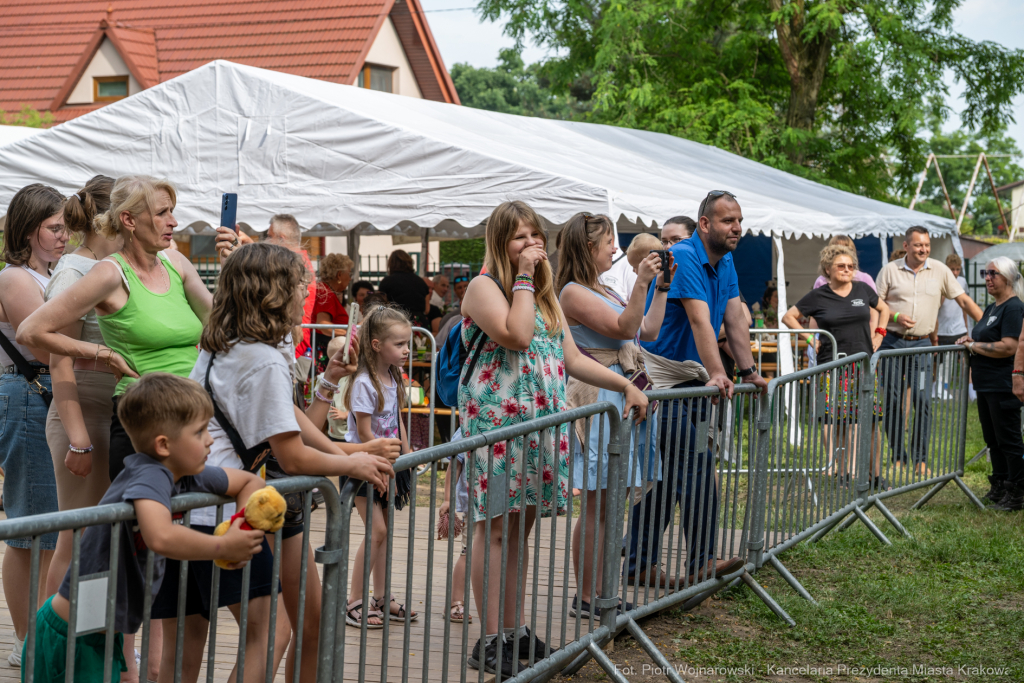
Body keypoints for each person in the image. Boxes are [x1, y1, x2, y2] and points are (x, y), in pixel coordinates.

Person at [188, 242, 398, 681]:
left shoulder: (226, 344)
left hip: (216, 498)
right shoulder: (262, 359)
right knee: (268, 635)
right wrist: (353, 465)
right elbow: (292, 454)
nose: (306, 293)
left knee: (286, 624)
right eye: (300, 284)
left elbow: (291, 419)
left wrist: (353, 450)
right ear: (274, 293)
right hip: (232, 507)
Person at [459, 200, 647, 678]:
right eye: (520, 238)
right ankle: (491, 637)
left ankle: (514, 627)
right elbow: (518, 337)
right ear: (501, 243)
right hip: (499, 429)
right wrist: (524, 275)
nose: (531, 246)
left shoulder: (545, 296)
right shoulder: (485, 287)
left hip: (540, 425)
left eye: (535, 236)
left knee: (521, 528)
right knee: (495, 528)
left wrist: (624, 384)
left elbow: (572, 359)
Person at [25, 373, 267, 683]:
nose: (211, 440)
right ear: (164, 444)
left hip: (97, 631)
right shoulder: (149, 474)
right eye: (200, 431)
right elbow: (160, 535)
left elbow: (251, 481)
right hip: (71, 636)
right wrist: (224, 547)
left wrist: (241, 527)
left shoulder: (187, 473)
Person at [18, 176, 213, 484]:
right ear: (128, 219)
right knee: (141, 530)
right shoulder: (109, 273)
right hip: (146, 420)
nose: (173, 222)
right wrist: (104, 353)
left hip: (195, 416)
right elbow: (31, 331)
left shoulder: (176, 261)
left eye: (171, 211)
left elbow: (222, 325)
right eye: (162, 212)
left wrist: (233, 267)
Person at [628, 190, 765, 590]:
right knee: (698, 464)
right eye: (727, 221)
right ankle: (703, 560)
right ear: (705, 224)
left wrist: (750, 370)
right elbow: (701, 321)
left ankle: (637, 562)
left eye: (739, 219)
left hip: (692, 383)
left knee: (666, 478)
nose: (737, 227)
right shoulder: (686, 255)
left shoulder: (728, 261)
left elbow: (735, 317)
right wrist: (720, 373)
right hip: (663, 381)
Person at [556, 212, 670, 618]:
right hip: (602, 396)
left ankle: (603, 591)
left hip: (626, 395)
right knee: (597, 503)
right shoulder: (570, 292)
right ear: (589, 247)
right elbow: (624, 328)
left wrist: (659, 288)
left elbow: (646, 330)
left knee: (613, 502)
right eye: (609, 243)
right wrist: (640, 278)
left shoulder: (603, 287)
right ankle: (586, 597)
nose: (615, 250)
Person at [41, 176, 122, 597]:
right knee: (76, 538)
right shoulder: (75, 270)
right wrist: (78, 439)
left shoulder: (110, 267)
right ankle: (51, 647)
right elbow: (59, 360)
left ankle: (88, 642)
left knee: (97, 539)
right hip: (84, 413)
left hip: (109, 413)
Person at [0, 183, 67, 668]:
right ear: (28, 231)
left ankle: (35, 642)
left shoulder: (49, 274)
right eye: (55, 227)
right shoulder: (16, 279)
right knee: (30, 530)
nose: (65, 236)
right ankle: (29, 644)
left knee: (42, 526)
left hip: (44, 395)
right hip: (30, 394)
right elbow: (44, 349)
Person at [874, 226, 982, 475]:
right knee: (892, 401)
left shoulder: (940, 270)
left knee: (922, 400)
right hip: (892, 343)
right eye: (918, 245)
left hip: (922, 345)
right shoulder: (890, 270)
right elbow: (875, 306)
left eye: (926, 245)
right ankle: (898, 456)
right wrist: (896, 316)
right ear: (906, 245)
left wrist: (986, 324)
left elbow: (963, 300)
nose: (923, 249)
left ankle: (920, 459)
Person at [781, 245, 889, 484]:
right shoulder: (818, 295)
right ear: (828, 269)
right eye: (841, 266)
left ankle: (875, 474)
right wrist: (810, 338)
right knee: (840, 422)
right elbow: (788, 317)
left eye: (851, 266)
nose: (847, 270)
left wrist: (880, 333)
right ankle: (844, 472)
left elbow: (884, 308)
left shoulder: (863, 289)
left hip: (863, 365)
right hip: (833, 366)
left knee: (869, 422)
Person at [342, 305, 417, 628]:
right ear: (376, 345)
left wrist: (407, 450)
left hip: (388, 464)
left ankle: (382, 597)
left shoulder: (392, 376)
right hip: (363, 463)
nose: (406, 350)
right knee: (377, 531)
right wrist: (377, 464)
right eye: (399, 344)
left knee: (385, 533)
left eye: (407, 344)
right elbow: (364, 432)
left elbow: (396, 417)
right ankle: (354, 600)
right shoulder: (364, 382)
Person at [959, 257, 1024, 511]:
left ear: (1008, 277)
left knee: (1008, 439)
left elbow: (1009, 346)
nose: (987, 277)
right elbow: (981, 338)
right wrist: (969, 339)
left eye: (993, 273)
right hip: (986, 386)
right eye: (986, 273)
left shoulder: (1014, 308)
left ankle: (1017, 491)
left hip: (1002, 384)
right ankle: (1000, 485)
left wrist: (973, 345)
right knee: (993, 439)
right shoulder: (991, 308)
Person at [308, 253, 354, 378]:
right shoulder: (326, 293)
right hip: (322, 350)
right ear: (339, 275)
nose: (350, 278)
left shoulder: (323, 290)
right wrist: (350, 331)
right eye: (349, 274)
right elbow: (324, 325)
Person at [378, 250, 430, 327]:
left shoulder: (387, 281)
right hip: (419, 324)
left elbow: (379, 305)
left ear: (391, 264)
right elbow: (427, 309)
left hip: (396, 322)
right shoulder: (420, 282)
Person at [811, 235, 877, 292]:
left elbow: (876, 304)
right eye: (836, 249)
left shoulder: (864, 278)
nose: (842, 252)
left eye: (846, 248)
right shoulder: (821, 281)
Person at [936, 253, 969, 347]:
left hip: (959, 329)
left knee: (961, 359)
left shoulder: (962, 281)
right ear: (946, 268)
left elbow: (965, 305)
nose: (955, 272)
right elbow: (936, 306)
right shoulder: (940, 281)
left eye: (957, 269)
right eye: (952, 269)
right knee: (937, 360)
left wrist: (966, 326)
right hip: (942, 330)